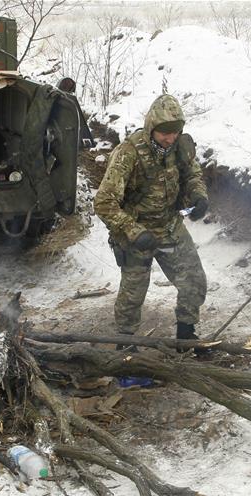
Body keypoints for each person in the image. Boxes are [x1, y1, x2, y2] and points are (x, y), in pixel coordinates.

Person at [94, 94, 210, 351]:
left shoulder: (180, 146)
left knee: (194, 280)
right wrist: (133, 231)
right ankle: (126, 346)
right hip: (136, 231)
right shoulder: (128, 153)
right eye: (164, 133)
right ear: (151, 128)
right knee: (133, 294)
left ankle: (186, 335)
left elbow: (193, 173)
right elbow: (104, 202)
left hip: (169, 226)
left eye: (175, 132)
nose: (170, 138)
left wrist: (199, 196)